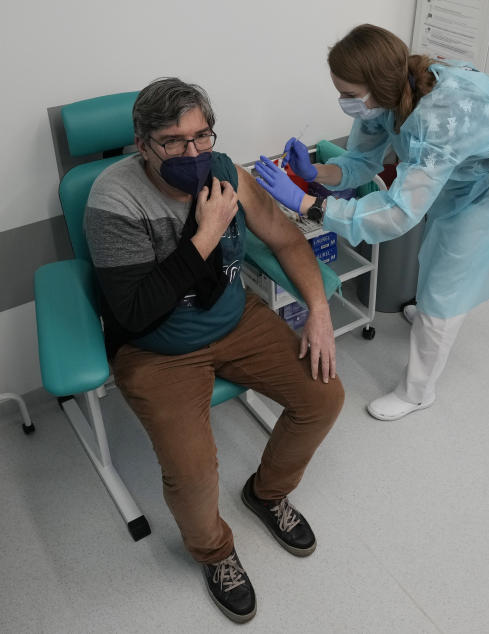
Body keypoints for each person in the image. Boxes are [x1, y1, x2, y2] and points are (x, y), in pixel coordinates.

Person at [84, 77, 344, 623]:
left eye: (202, 136)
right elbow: (135, 311)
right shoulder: (113, 198)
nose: (194, 153)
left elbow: (285, 238)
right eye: (174, 141)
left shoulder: (226, 170)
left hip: (235, 320)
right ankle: (215, 552)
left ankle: (267, 494)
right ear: (142, 142)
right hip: (156, 349)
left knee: (323, 396)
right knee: (194, 471)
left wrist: (318, 311)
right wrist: (208, 233)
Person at [254, 24, 489, 422]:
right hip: (459, 171)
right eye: (339, 92)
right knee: (437, 245)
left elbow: (396, 214)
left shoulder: (438, 115)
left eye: (349, 95)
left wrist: (308, 204)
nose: (344, 102)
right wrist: (315, 171)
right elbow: (362, 164)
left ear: (376, 86)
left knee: (447, 279)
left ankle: (418, 391)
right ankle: (428, 314)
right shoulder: (386, 97)